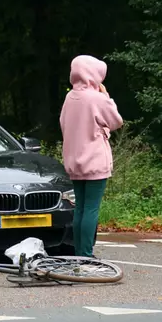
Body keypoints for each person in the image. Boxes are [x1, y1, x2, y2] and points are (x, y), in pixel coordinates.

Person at [59, 55, 124, 258]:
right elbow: (116, 121)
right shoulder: (97, 98)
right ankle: (87, 254)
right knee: (91, 209)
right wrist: (107, 97)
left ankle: (79, 251)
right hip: (95, 160)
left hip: (74, 161)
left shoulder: (70, 98)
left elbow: (63, 123)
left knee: (79, 208)